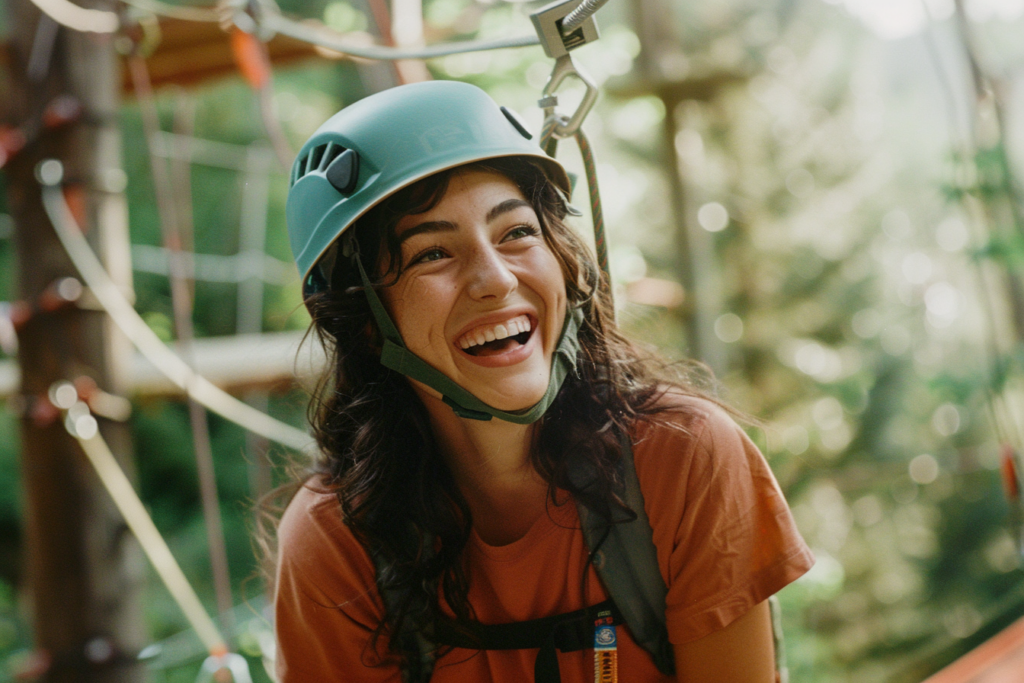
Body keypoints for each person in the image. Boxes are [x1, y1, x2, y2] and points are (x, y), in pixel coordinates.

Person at [274, 80, 814, 683]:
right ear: (365, 323)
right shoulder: (339, 545)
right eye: (432, 254)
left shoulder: (682, 461)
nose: (495, 280)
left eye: (517, 233)